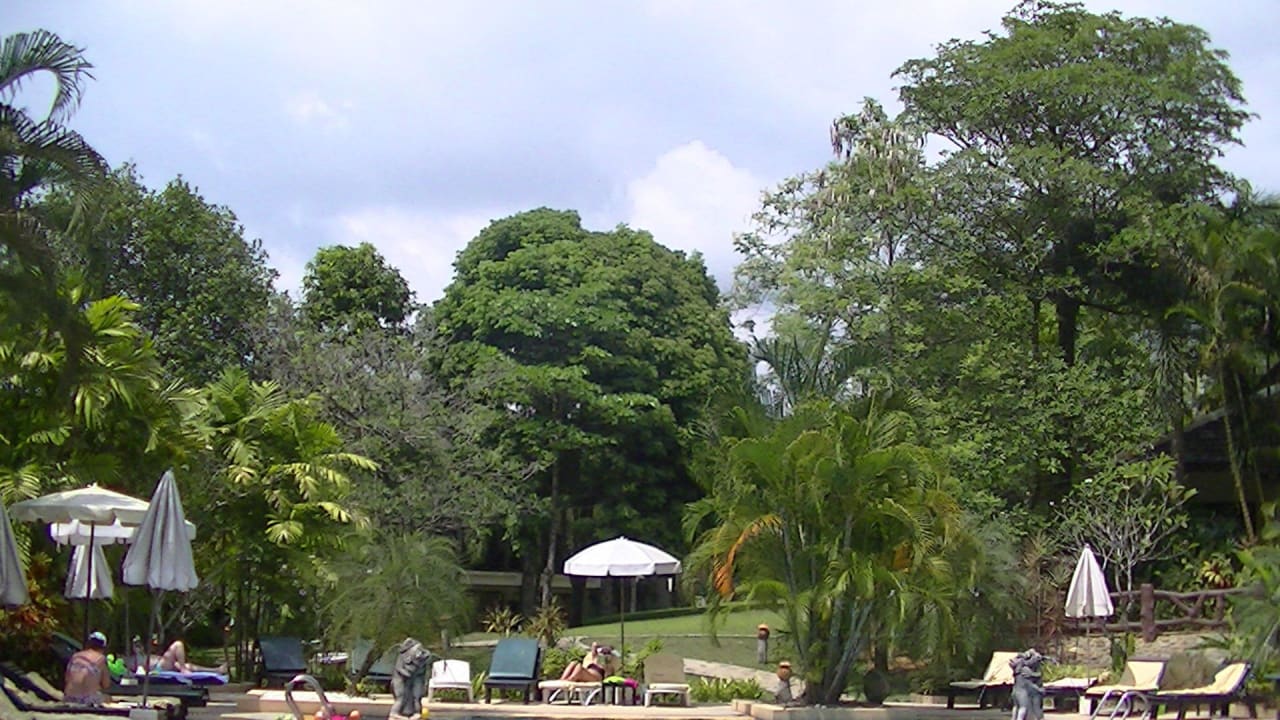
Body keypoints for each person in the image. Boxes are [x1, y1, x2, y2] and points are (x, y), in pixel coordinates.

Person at [131, 635, 227, 674]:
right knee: (178, 644)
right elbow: (140, 670)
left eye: (139, 645)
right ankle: (183, 669)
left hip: (161, 663)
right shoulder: (134, 658)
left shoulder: (142, 654)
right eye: (136, 645)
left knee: (188, 666)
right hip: (159, 667)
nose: (139, 647)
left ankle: (216, 670)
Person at [64, 631, 111, 706]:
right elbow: (106, 684)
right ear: (103, 647)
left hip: (69, 698)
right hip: (87, 699)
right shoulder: (101, 658)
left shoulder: (75, 656)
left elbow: (67, 678)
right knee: (108, 698)